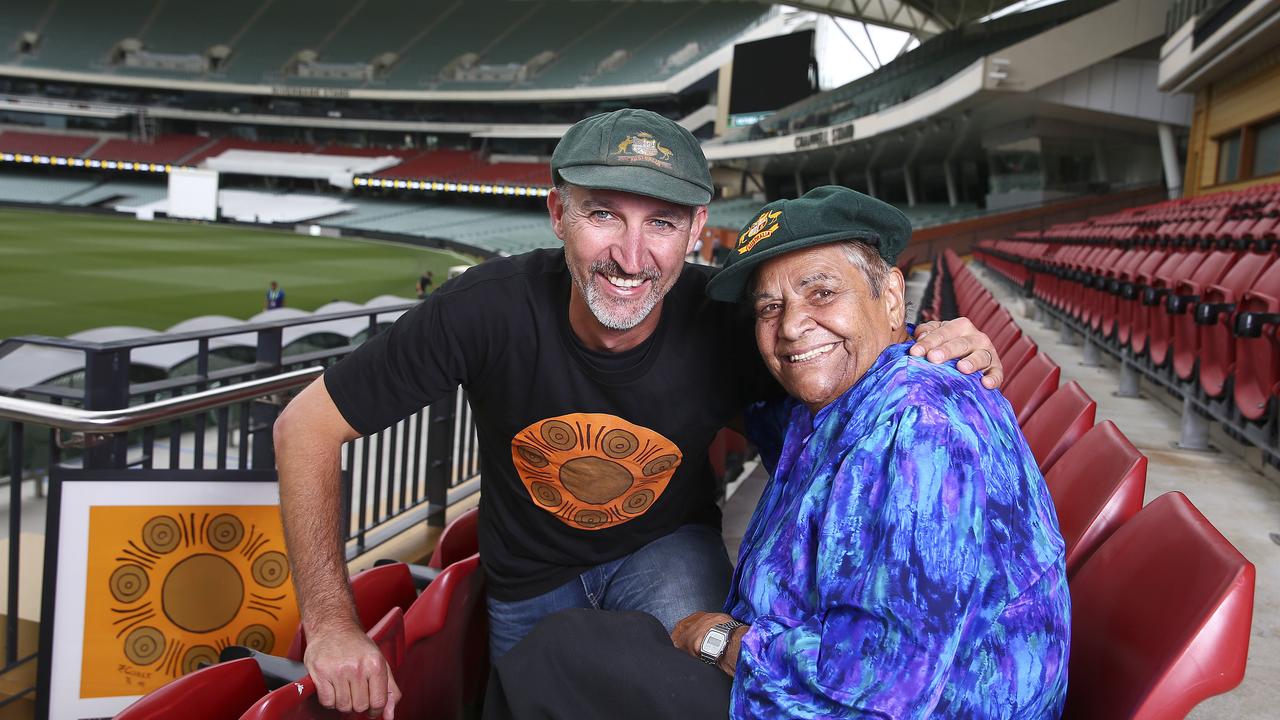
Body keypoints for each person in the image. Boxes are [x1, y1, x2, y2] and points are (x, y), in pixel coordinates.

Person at [272, 110, 1005, 718]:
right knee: (535, 697)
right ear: (557, 212)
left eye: (662, 222)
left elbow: (851, 389)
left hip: (667, 552)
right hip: (531, 576)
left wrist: (932, 349)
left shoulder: (739, 321)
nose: (630, 255)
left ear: (697, 231)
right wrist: (333, 624)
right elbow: (303, 427)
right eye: (602, 214)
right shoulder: (482, 310)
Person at [484, 186, 1070, 719]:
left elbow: (880, 684)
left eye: (822, 292)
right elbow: (764, 420)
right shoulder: (834, 407)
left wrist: (722, 640)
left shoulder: (922, 427)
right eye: (769, 307)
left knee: (562, 654)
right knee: (585, 647)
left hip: (870, 706)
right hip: (815, 682)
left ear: (892, 295)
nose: (791, 327)